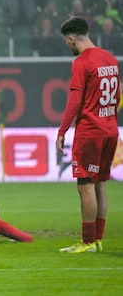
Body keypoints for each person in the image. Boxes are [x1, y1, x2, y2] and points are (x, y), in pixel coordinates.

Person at [56, 16, 120, 253]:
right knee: (101, 184)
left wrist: (62, 131)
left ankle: (87, 242)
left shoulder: (81, 62)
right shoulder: (110, 59)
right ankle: (98, 240)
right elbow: (116, 96)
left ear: (72, 39)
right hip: (110, 129)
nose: (67, 46)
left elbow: (74, 102)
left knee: (85, 185)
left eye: (67, 42)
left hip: (90, 131)